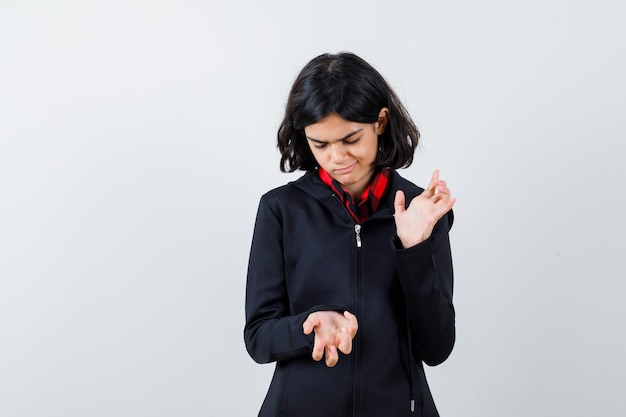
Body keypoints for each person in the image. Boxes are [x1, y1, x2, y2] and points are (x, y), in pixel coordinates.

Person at [244, 52, 456, 417]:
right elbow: (259, 337)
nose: (337, 157)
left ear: (381, 122)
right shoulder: (281, 210)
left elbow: (436, 348)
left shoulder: (423, 213)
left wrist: (413, 247)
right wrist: (308, 326)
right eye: (320, 144)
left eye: (350, 138)